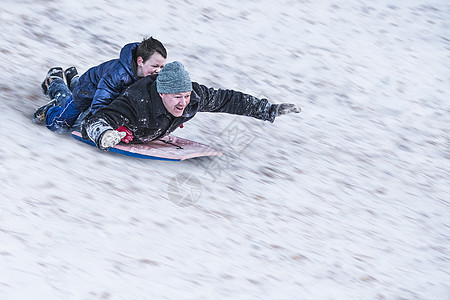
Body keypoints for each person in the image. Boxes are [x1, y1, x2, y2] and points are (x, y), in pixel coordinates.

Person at [82, 61, 301, 150]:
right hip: (94, 107)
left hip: (143, 127)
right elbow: (96, 120)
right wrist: (103, 135)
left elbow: (230, 100)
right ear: (162, 93)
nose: (184, 102)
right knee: (71, 103)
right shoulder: (136, 102)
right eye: (177, 97)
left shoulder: (194, 97)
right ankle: (56, 82)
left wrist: (268, 110)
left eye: (186, 95)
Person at [33, 36, 167, 133]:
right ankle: (51, 107)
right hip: (86, 93)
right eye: (155, 66)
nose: (158, 71)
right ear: (140, 61)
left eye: (162, 67)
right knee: (61, 125)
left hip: (103, 92)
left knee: (82, 120)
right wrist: (104, 125)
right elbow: (101, 100)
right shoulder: (118, 75)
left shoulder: (149, 75)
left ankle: (71, 78)